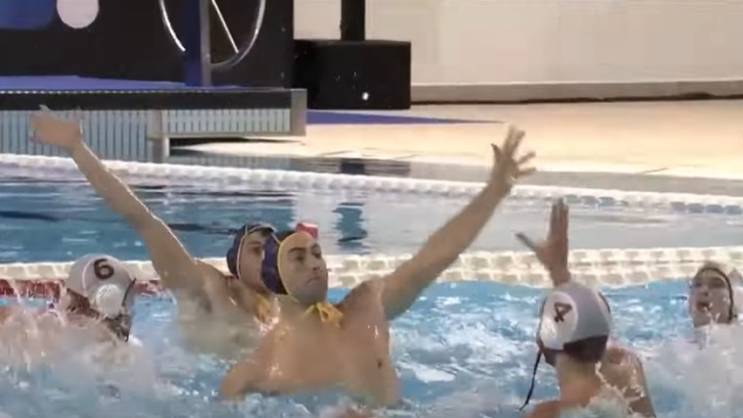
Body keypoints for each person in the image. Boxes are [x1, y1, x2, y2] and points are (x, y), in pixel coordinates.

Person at [218, 125, 536, 406]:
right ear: (274, 277)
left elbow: (434, 258)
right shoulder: (257, 371)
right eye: (298, 258)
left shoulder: (366, 308)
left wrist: (494, 192)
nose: (314, 264)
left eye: (317, 254)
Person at [29, 106, 276, 358]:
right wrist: (77, 148)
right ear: (235, 261)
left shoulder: (286, 313)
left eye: (272, 249)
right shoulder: (206, 289)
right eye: (256, 249)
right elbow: (142, 218)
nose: (267, 256)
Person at [516, 200, 656, 418]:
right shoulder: (628, 382)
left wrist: (558, 272)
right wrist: (559, 272)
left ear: (542, 342)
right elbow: (588, 327)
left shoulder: (546, 415)